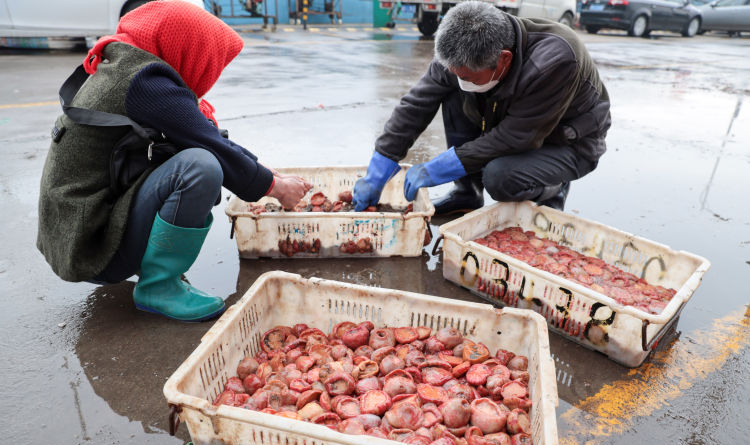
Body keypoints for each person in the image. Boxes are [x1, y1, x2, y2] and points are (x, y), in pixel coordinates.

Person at [36, 1, 310, 322]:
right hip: (88, 246)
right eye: (210, 62)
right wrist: (276, 188)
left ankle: (154, 269)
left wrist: (268, 173)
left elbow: (206, 133)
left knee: (192, 153)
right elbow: (211, 148)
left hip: (78, 233)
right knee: (200, 166)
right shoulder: (144, 81)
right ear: (188, 49)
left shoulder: (129, 64)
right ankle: (159, 286)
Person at [353, 1, 610, 215]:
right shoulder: (460, 52)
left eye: (469, 76)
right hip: (515, 123)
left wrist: (439, 167)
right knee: (454, 91)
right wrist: (381, 165)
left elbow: (517, 136)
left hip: (566, 142)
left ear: (504, 60)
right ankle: (467, 193)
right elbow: (416, 104)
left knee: (499, 177)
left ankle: (554, 186)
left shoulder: (556, 60)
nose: (463, 80)